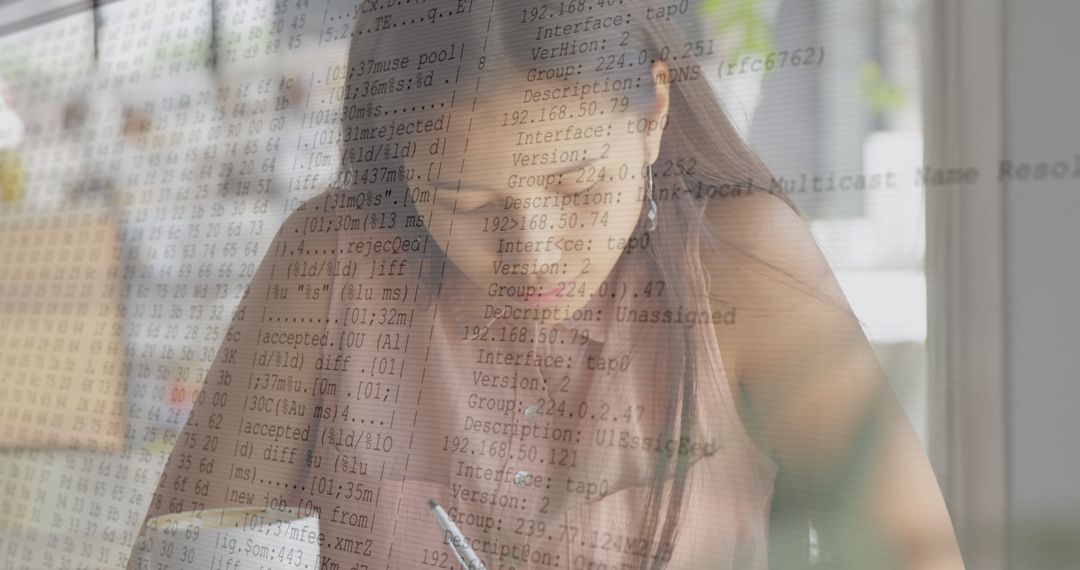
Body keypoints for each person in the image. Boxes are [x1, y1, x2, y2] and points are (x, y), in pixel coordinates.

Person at [130, 3, 965, 569]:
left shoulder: (736, 266)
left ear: (651, 115)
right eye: (461, 201)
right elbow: (190, 554)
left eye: (576, 188)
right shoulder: (335, 260)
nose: (532, 253)